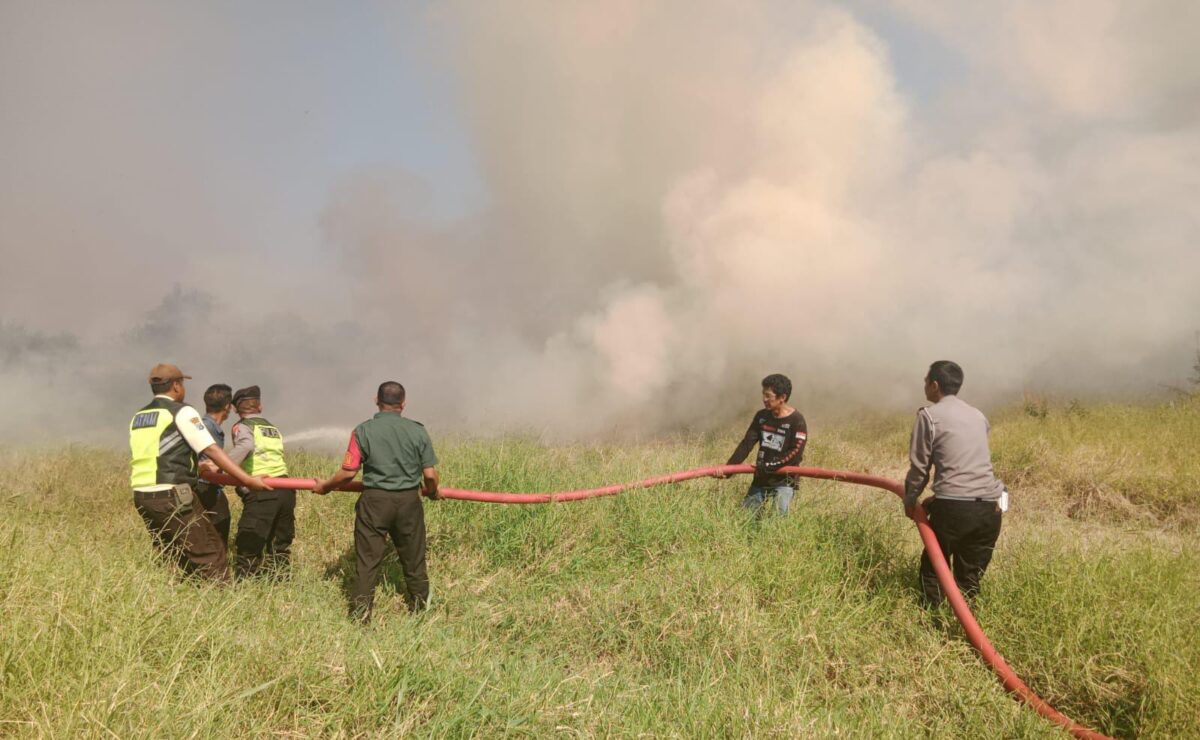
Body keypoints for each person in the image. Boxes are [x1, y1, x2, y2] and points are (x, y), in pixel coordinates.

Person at [129, 364, 271, 581]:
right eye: (183, 384)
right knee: (212, 555)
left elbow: (160, 451)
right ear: (176, 386)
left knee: (175, 555)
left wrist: (195, 465)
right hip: (172, 494)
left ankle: (180, 599)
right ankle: (221, 607)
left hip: (142, 495)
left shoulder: (140, 416)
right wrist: (247, 480)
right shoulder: (182, 412)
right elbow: (211, 449)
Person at [313, 381, 440, 623]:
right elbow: (431, 475)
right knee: (414, 559)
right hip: (408, 503)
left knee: (368, 561)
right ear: (403, 404)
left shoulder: (362, 431)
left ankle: (361, 617)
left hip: (375, 502)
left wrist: (325, 487)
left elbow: (348, 472)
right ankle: (421, 611)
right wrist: (432, 492)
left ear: (376, 401)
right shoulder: (418, 431)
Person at [903, 361, 1006, 607]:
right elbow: (970, 467)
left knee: (934, 569)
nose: (925, 386)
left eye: (926, 381)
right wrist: (939, 499)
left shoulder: (928, 416)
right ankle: (964, 628)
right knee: (969, 577)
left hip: (955, 511)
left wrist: (910, 501)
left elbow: (920, 469)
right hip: (993, 506)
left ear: (935, 385)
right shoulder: (978, 415)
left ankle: (934, 624)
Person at [716, 373, 808, 516]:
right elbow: (746, 445)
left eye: (768, 396)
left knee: (777, 522)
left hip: (784, 481)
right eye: (763, 395)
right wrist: (728, 470)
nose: (764, 399)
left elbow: (795, 453)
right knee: (745, 518)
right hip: (761, 477)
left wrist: (770, 466)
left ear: (782, 397)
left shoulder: (797, 421)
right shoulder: (761, 417)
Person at [227, 385, 294, 578]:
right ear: (260, 407)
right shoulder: (271, 427)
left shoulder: (242, 426)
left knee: (250, 541)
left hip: (261, 489)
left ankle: (245, 587)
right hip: (285, 489)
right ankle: (279, 584)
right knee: (279, 543)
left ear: (235, 409)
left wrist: (223, 464)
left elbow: (246, 445)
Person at [195, 383, 234, 548]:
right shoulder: (206, 426)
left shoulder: (206, 425)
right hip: (205, 487)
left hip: (206, 487)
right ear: (227, 407)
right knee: (219, 528)